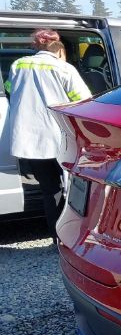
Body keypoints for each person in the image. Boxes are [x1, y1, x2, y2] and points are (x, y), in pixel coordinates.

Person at [4, 29, 91, 241]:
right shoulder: (64, 68)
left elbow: (9, 89)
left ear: (37, 46)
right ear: (59, 50)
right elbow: (84, 101)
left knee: (49, 189)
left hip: (30, 139)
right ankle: (73, 235)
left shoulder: (18, 65)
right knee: (73, 189)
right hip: (59, 138)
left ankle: (56, 237)